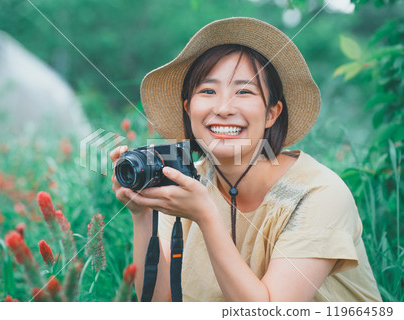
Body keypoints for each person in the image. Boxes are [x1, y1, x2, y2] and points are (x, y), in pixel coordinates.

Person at [110, 17, 382, 302]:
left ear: (271, 114)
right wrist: (142, 213)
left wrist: (205, 215)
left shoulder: (319, 194)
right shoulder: (186, 183)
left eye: (244, 91)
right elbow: (157, 304)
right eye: (208, 91)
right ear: (189, 109)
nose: (224, 108)